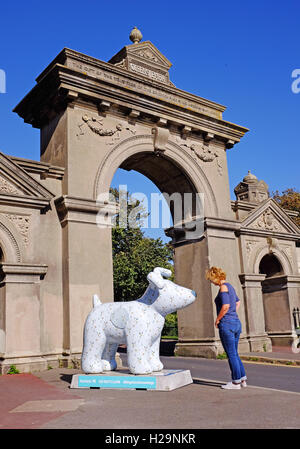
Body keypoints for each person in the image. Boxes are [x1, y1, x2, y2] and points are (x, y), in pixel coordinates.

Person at [205, 266, 247, 390]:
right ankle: (243, 379)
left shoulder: (223, 288)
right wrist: (232, 313)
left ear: (216, 277)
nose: (211, 282)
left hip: (227, 324)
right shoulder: (231, 287)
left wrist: (218, 319)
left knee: (231, 354)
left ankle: (235, 383)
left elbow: (226, 306)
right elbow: (237, 302)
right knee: (235, 353)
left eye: (211, 279)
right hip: (236, 322)